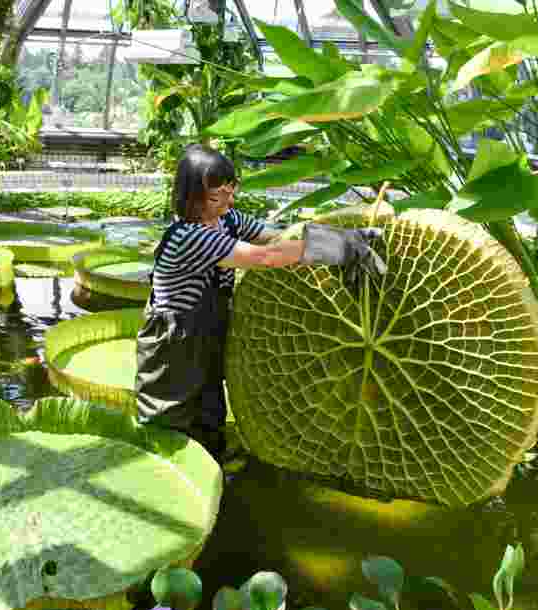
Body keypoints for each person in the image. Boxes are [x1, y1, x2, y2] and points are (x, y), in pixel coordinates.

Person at [134, 144, 387, 459]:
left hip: (207, 336)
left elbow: (274, 238)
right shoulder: (190, 237)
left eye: (231, 191)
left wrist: (339, 236)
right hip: (173, 344)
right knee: (169, 424)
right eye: (216, 197)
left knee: (209, 416)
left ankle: (213, 476)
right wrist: (340, 247)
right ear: (191, 197)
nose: (228, 202)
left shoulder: (226, 219)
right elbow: (264, 257)